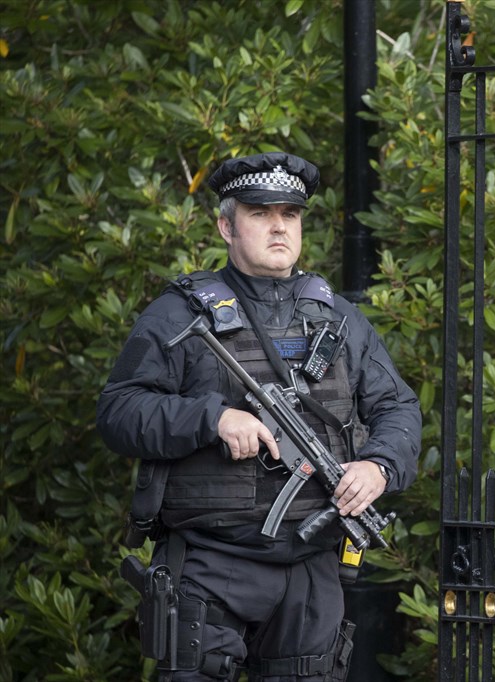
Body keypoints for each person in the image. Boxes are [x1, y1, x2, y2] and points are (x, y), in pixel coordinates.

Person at [97, 152, 421, 681]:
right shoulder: (182, 315)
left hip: (312, 569)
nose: (278, 226)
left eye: (289, 214)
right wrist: (213, 419)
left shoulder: (340, 320)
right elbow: (118, 411)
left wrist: (378, 467)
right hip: (208, 566)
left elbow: (397, 407)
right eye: (259, 212)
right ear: (226, 226)